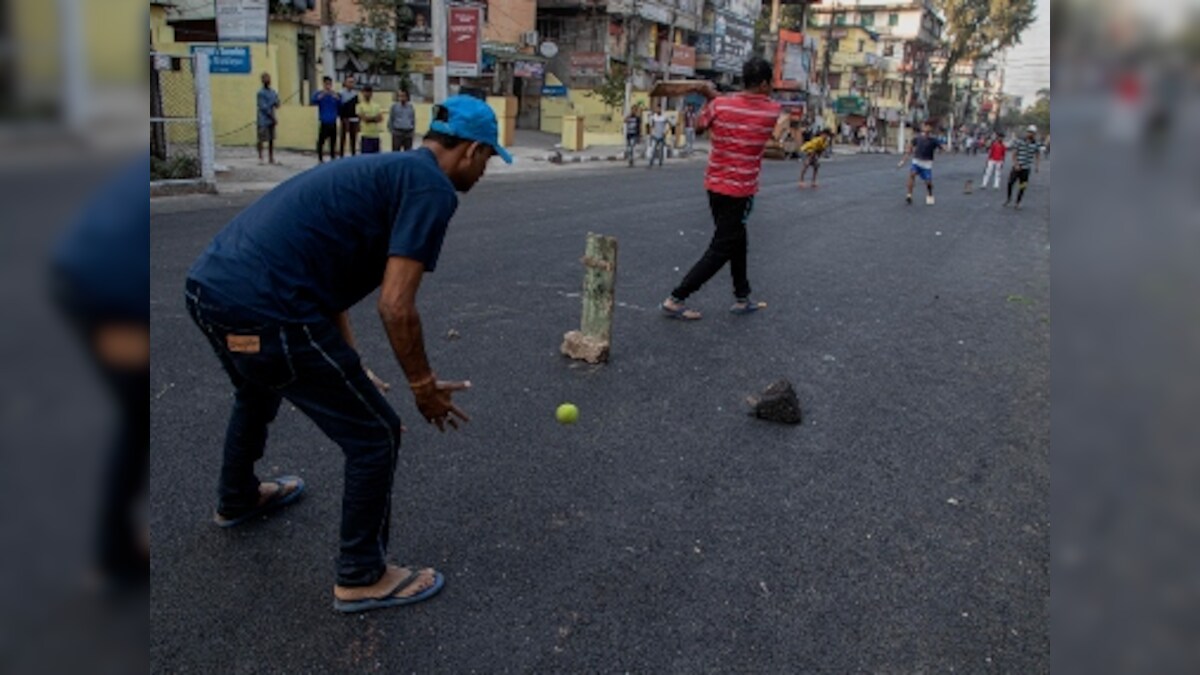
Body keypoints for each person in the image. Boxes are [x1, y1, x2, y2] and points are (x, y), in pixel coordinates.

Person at [184, 96, 512, 614]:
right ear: (470, 150)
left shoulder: (386, 169)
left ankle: (238, 497)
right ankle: (361, 574)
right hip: (269, 310)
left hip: (210, 290)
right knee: (375, 434)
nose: (484, 171)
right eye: (488, 158)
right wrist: (423, 386)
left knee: (257, 388)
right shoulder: (431, 188)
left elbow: (329, 283)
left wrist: (349, 362)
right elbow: (396, 305)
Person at [661, 57, 785, 321]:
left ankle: (743, 296)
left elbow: (701, 125)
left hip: (714, 186)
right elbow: (745, 105)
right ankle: (677, 297)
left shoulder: (719, 105)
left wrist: (708, 94)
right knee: (723, 247)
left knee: (737, 239)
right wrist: (712, 93)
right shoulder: (772, 111)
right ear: (763, 83)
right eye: (770, 82)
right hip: (740, 192)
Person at [898, 121, 944, 205]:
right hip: (917, 161)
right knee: (912, 174)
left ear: (931, 129)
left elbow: (942, 148)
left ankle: (929, 193)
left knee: (928, 182)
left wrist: (945, 149)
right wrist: (903, 161)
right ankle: (909, 195)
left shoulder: (934, 140)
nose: (926, 128)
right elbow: (909, 150)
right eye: (925, 126)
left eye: (928, 126)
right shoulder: (917, 138)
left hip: (927, 164)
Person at [1005, 124, 1042, 210]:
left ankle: (1018, 202)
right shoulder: (1019, 141)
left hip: (1026, 168)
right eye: (1029, 132)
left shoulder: (1036, 144)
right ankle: (1009, 198)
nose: (1031, 134)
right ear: (1027, 132)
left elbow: (1037, 155)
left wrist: (1037, 166)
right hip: (1017, 166)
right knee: (1010, 182)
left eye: (1033, 133)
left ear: (1035, 134)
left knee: (1023, 186)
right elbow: (1014, 153)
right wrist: (1016, 164)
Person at [311, 76, 340, 163]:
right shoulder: (319, 94)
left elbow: (340, 103)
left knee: (333, 142)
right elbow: (313, 101)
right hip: (324, 121)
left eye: (330, 84)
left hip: (333, 121)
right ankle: (320, 158)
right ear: (323, 84)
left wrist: (336, 97)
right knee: (321, 141)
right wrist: (322, 95)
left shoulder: (334, 95)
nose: (328, 86)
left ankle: (332, 158)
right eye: (326, 84)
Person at [256, 72, 280, 165]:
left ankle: (271, 157)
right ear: (262, 81)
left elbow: (277, 103)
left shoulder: (273, 92)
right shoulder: (260, 93)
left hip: (271, 119)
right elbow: (263, 107)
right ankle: (260, 157)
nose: (267, 80)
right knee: (261, 138)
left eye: (268, 78)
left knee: (271, 139)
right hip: (263, 119)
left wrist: (277, 103)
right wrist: (273, 117)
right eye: (265, 79)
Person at [357, 85, 384, 154]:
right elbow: (365, 119)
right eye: (365, 92)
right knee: (365, 158)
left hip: (376, 135)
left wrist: (370, 118)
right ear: (362, 93)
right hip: (366, 135)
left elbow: (380, 118)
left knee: (376, 158)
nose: (367, 94)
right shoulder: (359, 106)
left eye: (369, 92)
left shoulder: (376, 105)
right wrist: (374, 118)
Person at [338, 74, 360, 158]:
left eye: (352, 82)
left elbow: (357, 107)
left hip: (353, 118)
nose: (351, 84)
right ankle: (341, 155)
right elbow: (339, 106)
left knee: (353, 138)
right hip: (344, 118)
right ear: (345, 83)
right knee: (343, 137)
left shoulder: (355, 94)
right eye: (349, 82)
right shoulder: (341, 93)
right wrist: (342, 117)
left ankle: (353, 155)